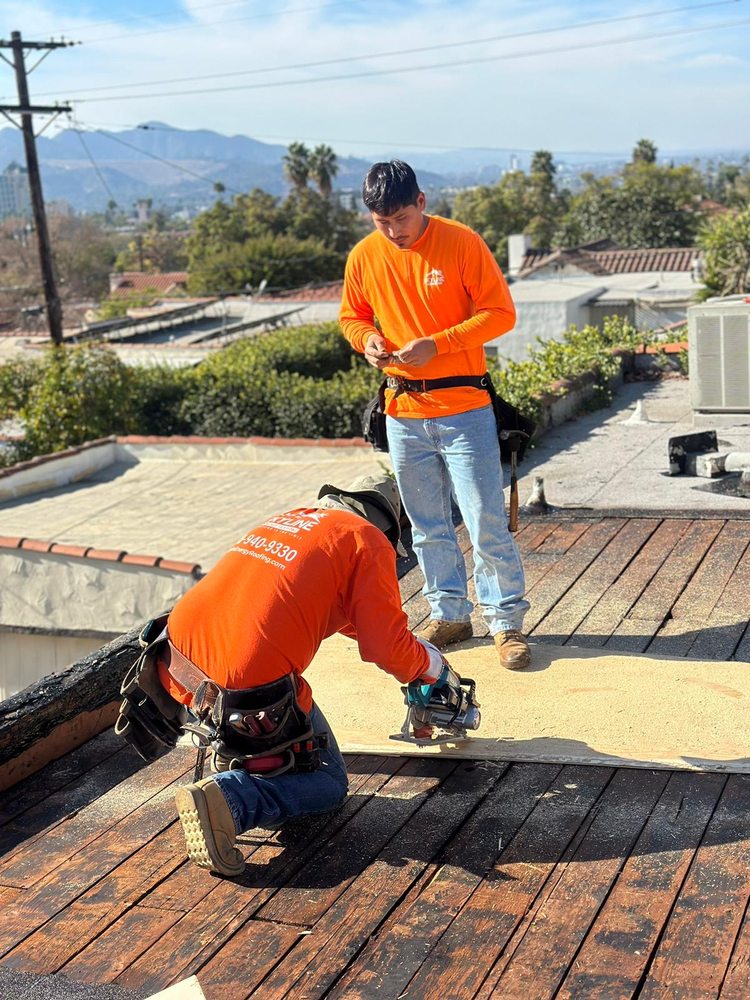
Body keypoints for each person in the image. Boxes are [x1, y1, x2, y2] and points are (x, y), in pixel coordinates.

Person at [151, 475, 451, 877]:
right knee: (327, 784)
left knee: (282, 730)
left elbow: (326, 607)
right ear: (385, 524)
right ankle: (233, 799)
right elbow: (383, 648)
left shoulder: (289, 522)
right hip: (246, 689)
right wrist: (429, 665)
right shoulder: (367, 540)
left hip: (177, 664)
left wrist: (405, 642)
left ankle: (243, 763)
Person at [339, 159, 530, 669]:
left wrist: (439, 345)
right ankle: (450, 614)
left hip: (465, 407)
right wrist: (368, 342)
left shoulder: (462, 243)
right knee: (424, 524)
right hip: (402, 410)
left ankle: (505, 622)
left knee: (485, 518)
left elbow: (501, 313)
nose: (393, 231)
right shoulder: (364, 256)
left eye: (400, 218)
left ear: (421, 203)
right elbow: (352, 316)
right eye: (382, 222)